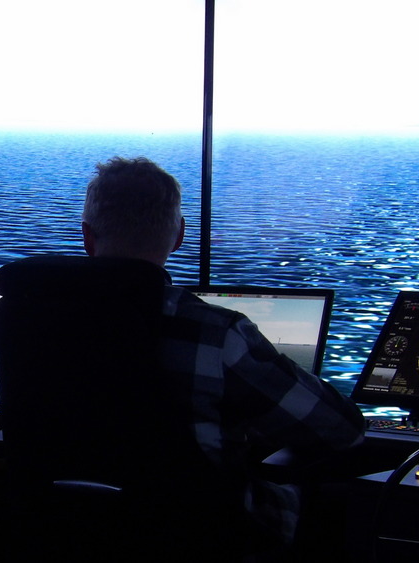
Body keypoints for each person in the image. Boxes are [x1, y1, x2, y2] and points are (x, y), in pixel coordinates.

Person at [81, 156, 365, 550]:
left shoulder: (28, 318)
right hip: (197, 534)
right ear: (179, 235)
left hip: (67, 525)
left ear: (87, 237)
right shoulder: (215, 332)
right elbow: (342, 430)